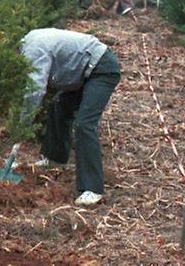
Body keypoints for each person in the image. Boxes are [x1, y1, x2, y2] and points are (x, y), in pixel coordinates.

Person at [19, 28, 120, 206]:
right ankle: (54, 158)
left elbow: (35, 91)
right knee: (60, 104)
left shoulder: (33, 49)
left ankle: (93, 189)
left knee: (84, 124)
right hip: (83, 71)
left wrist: (22, 125)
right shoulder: (28, 41)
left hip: (101, 69)